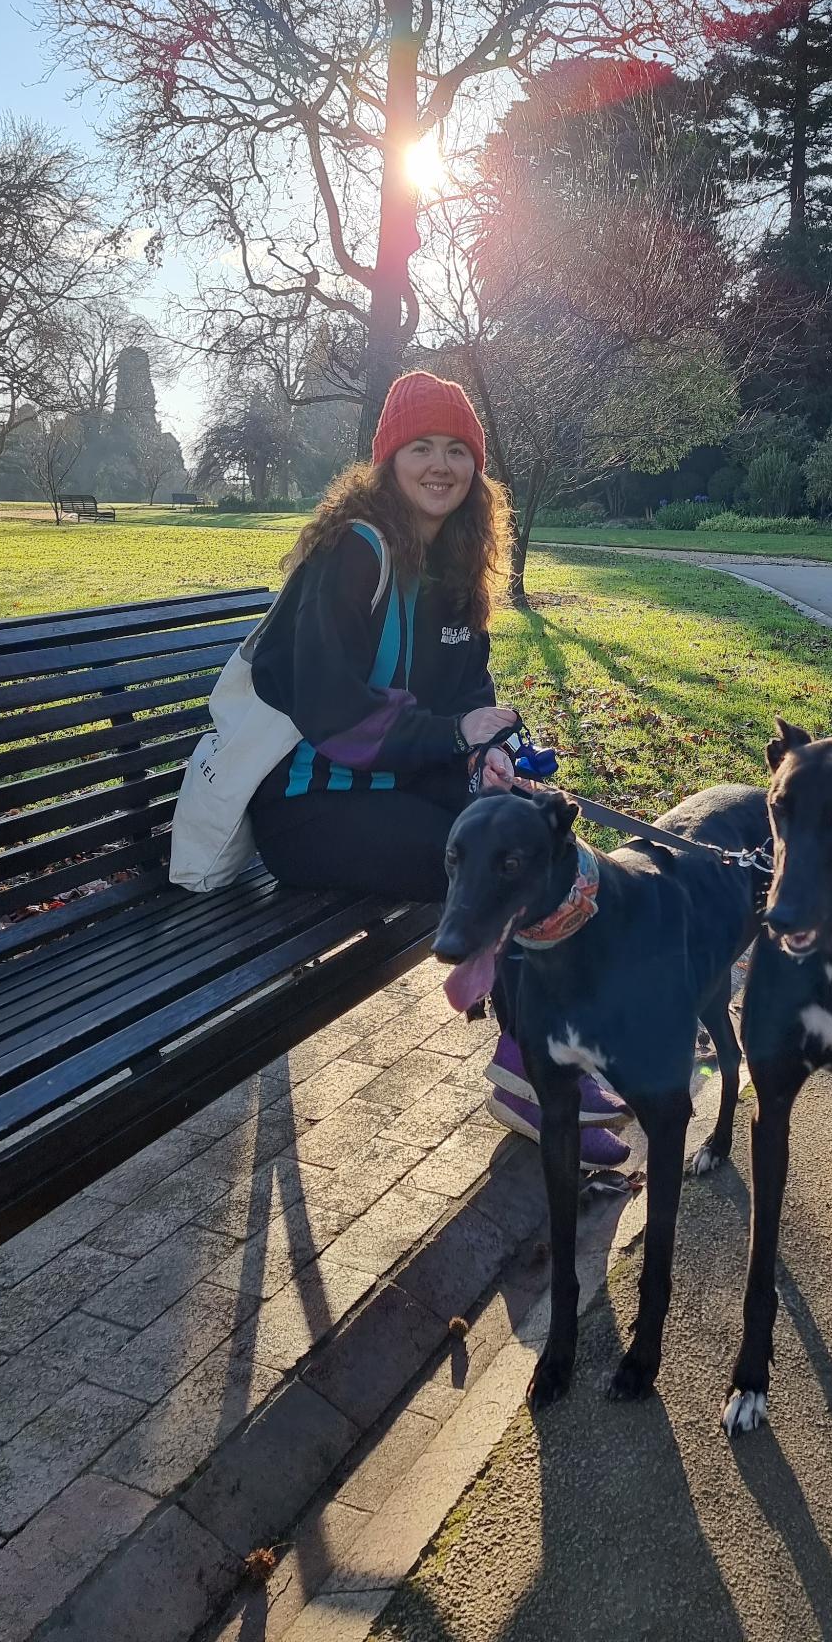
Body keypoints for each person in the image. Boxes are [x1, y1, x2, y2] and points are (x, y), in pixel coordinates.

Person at [248, 370, 630, 1167]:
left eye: (457, 450)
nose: (440, 465)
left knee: (522, 837)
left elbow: (469, 694)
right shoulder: (354, 552)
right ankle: (535, 1071)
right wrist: (456, 733)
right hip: (310, 804)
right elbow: (334, 713)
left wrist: (489, 756)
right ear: (386, 459)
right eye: (419, 447)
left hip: (390, 786)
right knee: (495, 865)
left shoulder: (455, 566)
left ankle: (548, 1049)